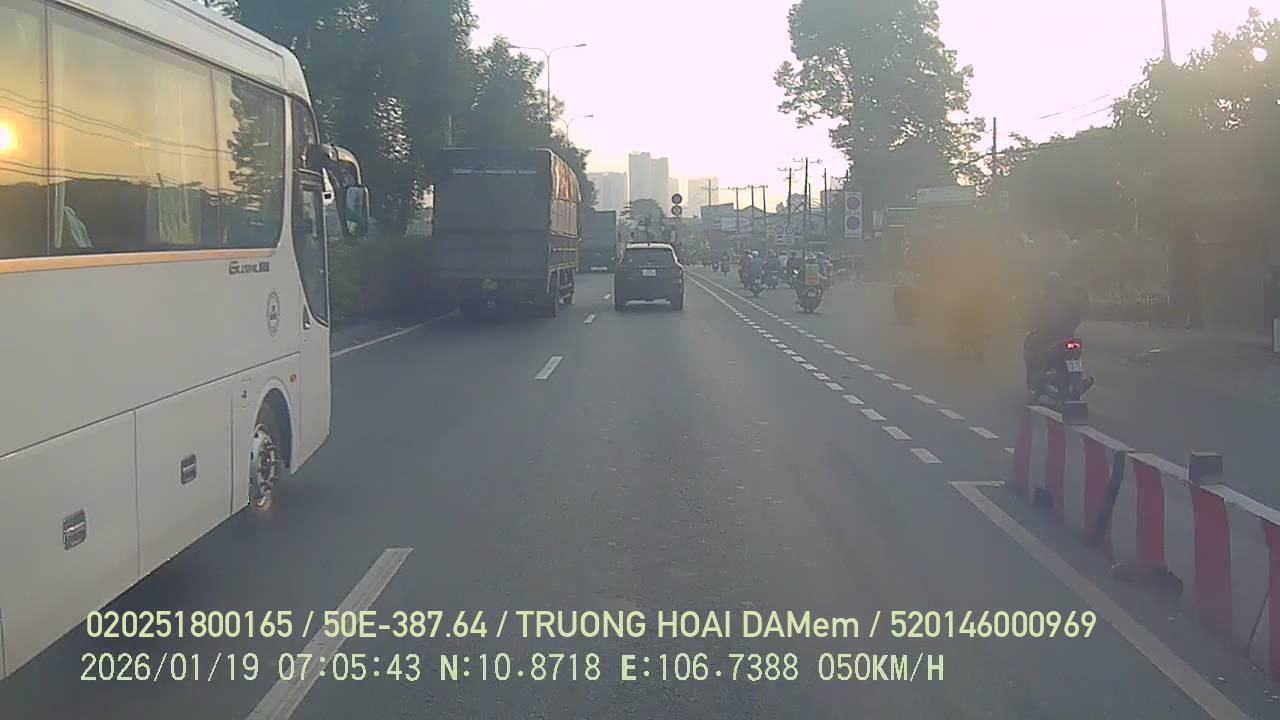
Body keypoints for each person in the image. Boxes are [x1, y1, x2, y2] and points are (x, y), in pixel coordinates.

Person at [1023, 272, 1083, 391]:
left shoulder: (1041, 302)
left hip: (1047, 338)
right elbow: (1077, 318)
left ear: (1046, 287)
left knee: (1033, 346)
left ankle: (1037, 378)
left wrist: (1026, 324)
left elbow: (1030, 318)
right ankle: (1076, 382)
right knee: (1074, 353)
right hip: (1067, 338)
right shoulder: (1068, 302)